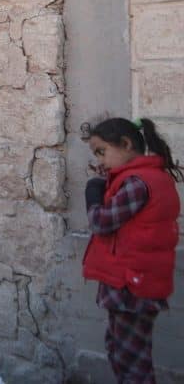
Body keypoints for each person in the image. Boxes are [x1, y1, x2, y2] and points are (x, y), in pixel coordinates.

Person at [81, 117, 182, 383]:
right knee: (122, 353)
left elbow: (102, 222)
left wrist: (92, 194)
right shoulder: (145, 178)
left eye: (101, 152)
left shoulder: (137, 183)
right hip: (131, 283)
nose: (100, 161)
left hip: (132, 288)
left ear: (125, 144)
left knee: (132, 364)